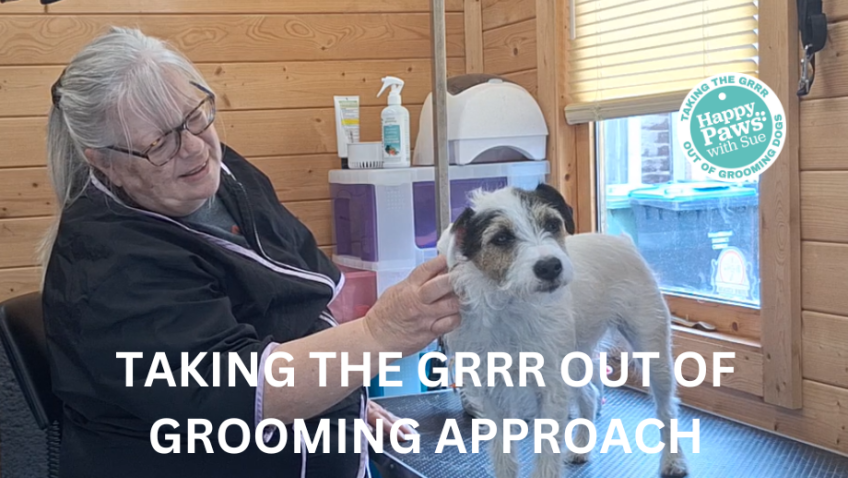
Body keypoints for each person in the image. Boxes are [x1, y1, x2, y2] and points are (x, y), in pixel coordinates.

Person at [39, 26, 461, 478]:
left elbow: (298, 300)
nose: (194, 148)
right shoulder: (106, 267)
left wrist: (340, 393)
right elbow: (237, 392)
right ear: (105, 162)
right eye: (158, 144)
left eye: (195, 116)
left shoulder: (220, 174)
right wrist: (380, 335)